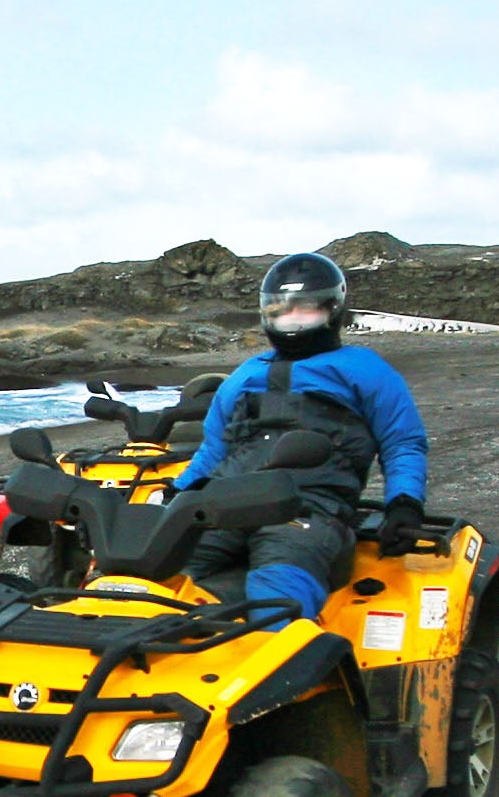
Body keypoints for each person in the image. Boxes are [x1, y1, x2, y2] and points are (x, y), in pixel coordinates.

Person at [172, 252, 436, 615]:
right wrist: (177, 495)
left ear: (332, 309)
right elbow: (214, 450)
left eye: (306, 309)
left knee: (277, 602)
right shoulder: (243, 376)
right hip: (225, 503)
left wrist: (404, 503)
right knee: (154, 580)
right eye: (282, 310)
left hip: (308, 509)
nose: (293, 319)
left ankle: (283, 660)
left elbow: (402, 442)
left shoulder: (364, 369)